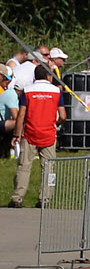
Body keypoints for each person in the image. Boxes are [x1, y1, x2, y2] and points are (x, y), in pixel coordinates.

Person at [8, 63, 61, 208]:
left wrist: (17, 135)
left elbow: (21, 116)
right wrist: (55, 122)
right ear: (48, 76)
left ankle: (17, 197)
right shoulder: (56, 91)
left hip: (30, 133)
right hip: (49, 134)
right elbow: (63, 114)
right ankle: (45, 199)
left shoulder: (27, 90)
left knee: (24, 166)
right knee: (49, 168)